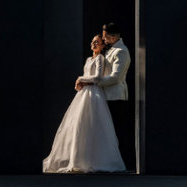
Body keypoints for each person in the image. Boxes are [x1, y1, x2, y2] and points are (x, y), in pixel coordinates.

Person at [42, 34, 125, 173]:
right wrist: (80, 84)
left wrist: (80, 79)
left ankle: (95, 160)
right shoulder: (88, 59)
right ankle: (78, 159)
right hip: (84, 94)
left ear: (103, 45)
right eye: (92, 41)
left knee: (93, 125)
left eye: (97, 42)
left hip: (94, 94)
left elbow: (98, 77)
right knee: (79, 125)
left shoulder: (100, 58)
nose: (93, 44)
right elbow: (87, 77)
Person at [78, 22, 133, 170]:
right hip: (105, 96)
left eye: (105, 37)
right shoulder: (110, 50)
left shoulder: (121, 51)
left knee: (117, 131)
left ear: (113, 36)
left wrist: (94, 83)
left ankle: (122, 164)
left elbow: (115, 77)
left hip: (115, 96)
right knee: (108, 131)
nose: (104, 40)